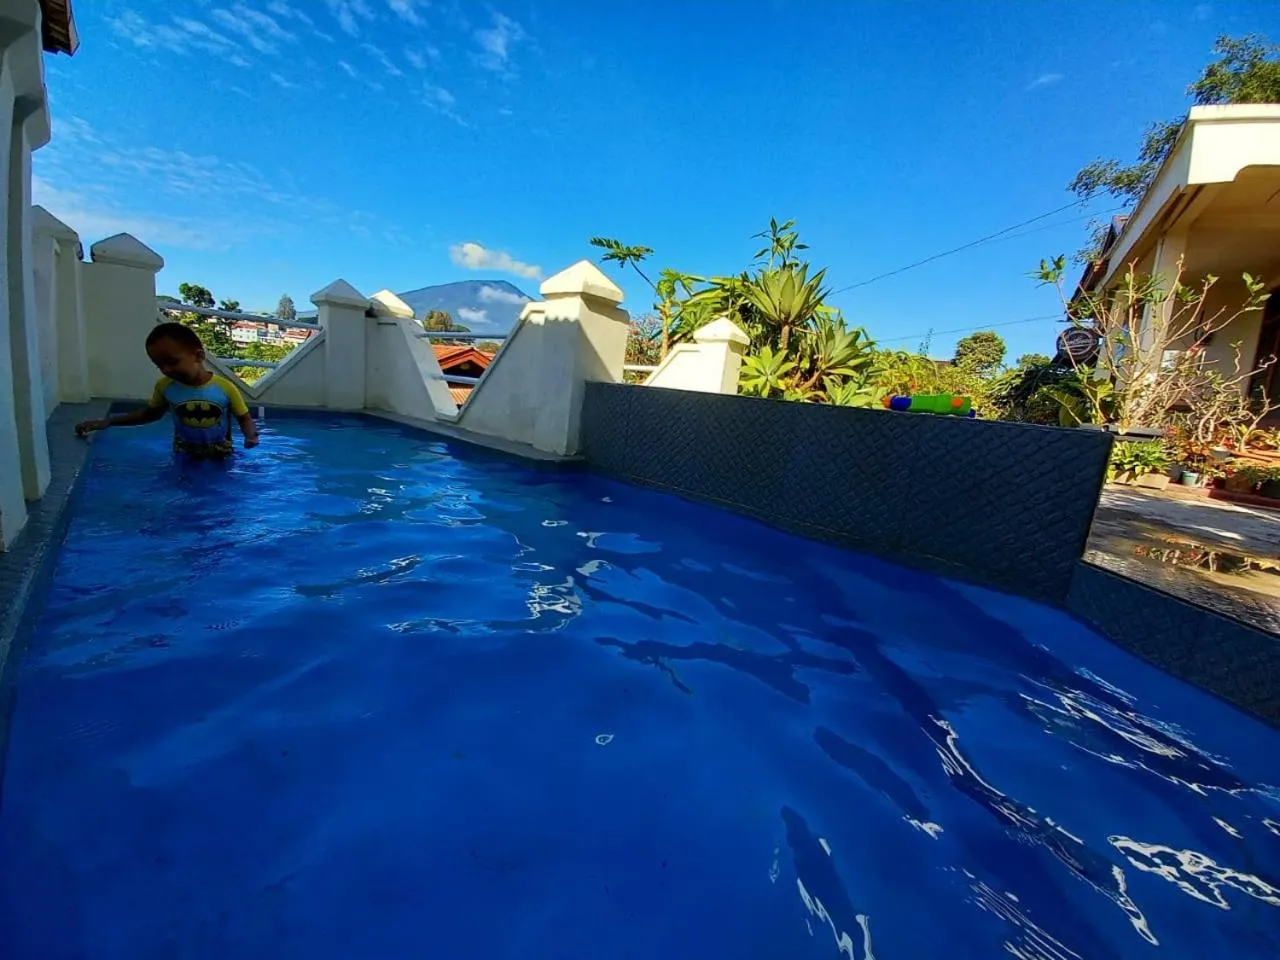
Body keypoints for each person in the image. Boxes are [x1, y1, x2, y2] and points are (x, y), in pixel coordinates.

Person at [76, 322, 259, 457]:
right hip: (183, 453)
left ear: (199, 356)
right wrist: (109, 422)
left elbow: (244, 417)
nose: (166, 370)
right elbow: (150, 414)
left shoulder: (224, 388)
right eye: (159, 365)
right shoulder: (165, 387)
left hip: (221, 454)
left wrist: (250, 436)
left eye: (172, 362)